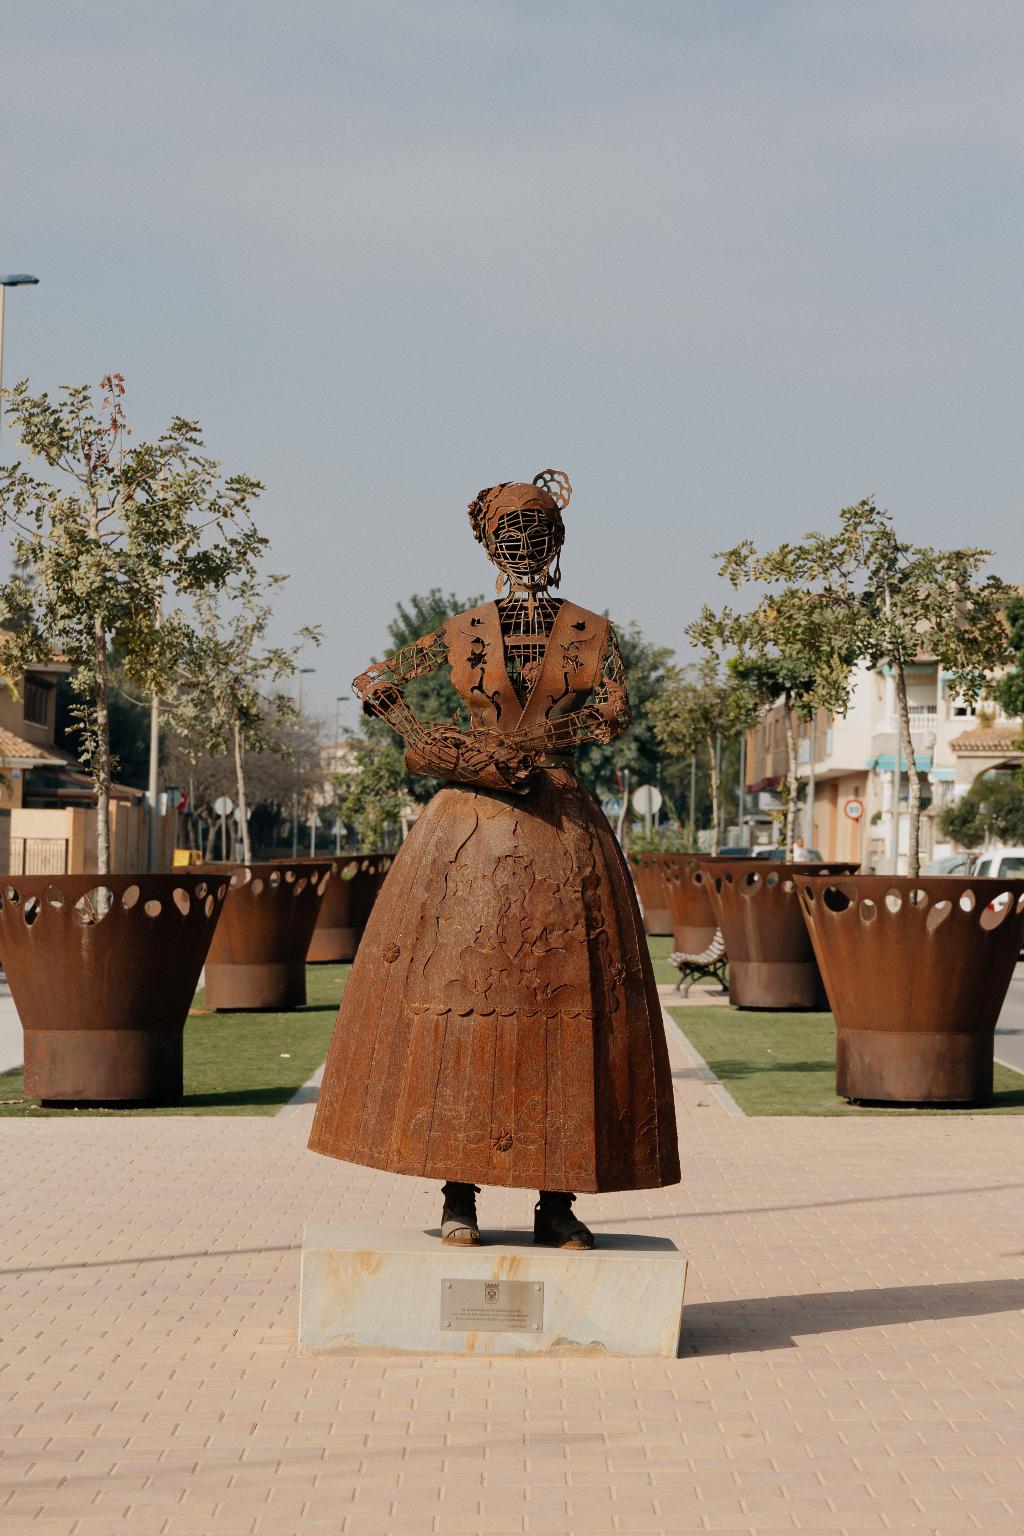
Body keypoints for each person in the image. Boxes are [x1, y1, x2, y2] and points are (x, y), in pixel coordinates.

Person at [308, 471, 680, 1249]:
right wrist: (429, 737)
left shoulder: (589, 631)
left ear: (556, 544)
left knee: (568, 1014)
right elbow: (374, 681)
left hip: (561, 834)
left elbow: (614, 709)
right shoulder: (460, 630)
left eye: (537, 533)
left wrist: (548, 741)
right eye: (511, 535)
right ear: (489, 544)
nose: (524, 546)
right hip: (469, 836)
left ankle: (557, 1198)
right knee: (459, 1008)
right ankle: (459, 1194)